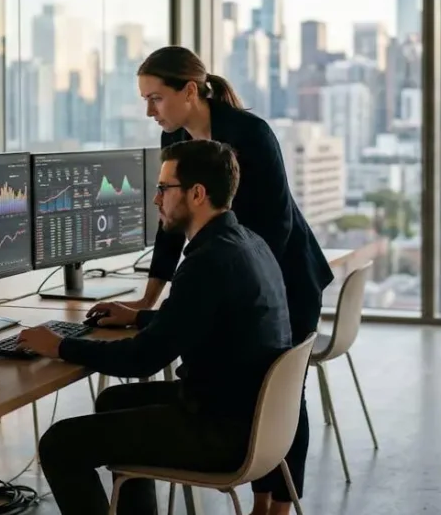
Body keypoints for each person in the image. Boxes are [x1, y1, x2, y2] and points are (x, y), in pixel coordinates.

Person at [113, 45, 333, 515]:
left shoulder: (250, 133)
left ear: (189, 91)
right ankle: (259, 500)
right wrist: (148, 299)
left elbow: (278, 224)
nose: (149, 110)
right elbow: (171, 225)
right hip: (242, 272)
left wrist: (245, 284)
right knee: (248, 390)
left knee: (281, 390)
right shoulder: (175, 142)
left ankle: (277, 506)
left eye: (155, 98)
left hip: (285, 274)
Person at [20, 140, 292, 515]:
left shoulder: (207, 262)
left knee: (58, 443)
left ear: (197, 194)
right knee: (112, 402)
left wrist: (60, 346)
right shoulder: (248, 243)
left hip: (222, 432)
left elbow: (143, 359)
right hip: (254, 417)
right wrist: (138, 317)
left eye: (164, 189)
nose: (155, 200)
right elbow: (203, 320)